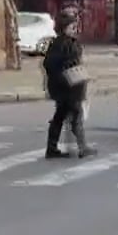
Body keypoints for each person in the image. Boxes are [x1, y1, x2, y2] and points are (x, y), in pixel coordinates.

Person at [42, 11, 95, 159]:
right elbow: (64, 64)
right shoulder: (66, 44)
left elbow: (49, 64)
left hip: (62, 87)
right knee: (76, 115)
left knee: (60, 116)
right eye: (72, 26)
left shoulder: (58, 43)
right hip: (69, 87)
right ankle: (82, 148)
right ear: (64, 28)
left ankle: (51, 148)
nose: (75, 29)